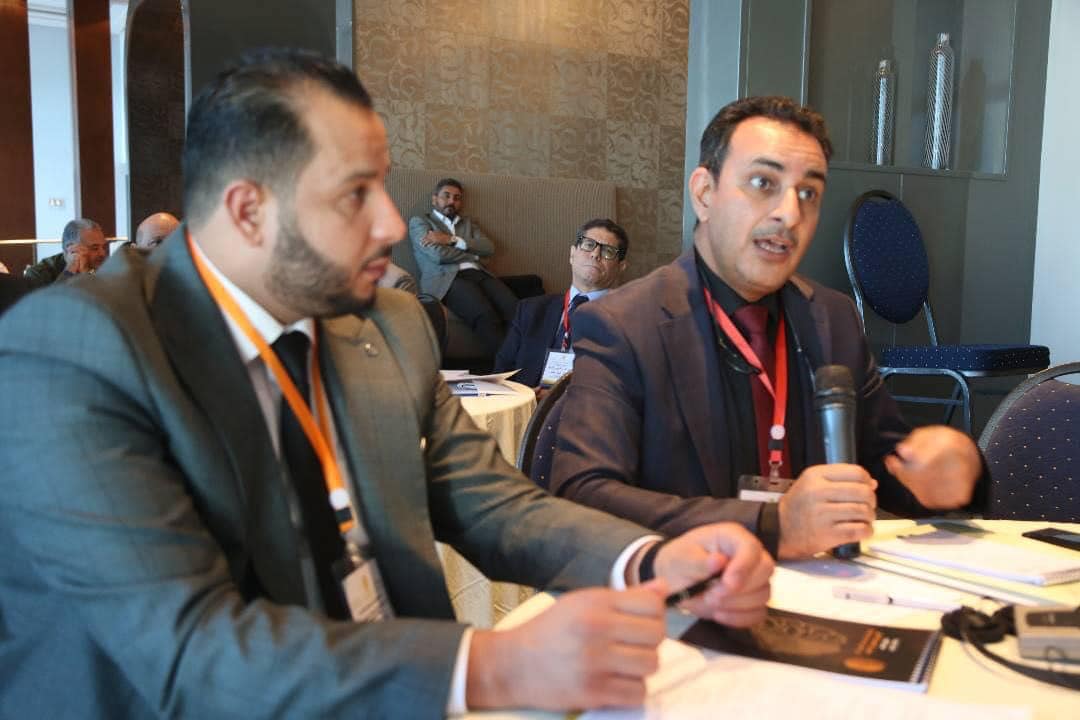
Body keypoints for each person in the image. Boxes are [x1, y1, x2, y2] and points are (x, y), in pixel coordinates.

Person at [0, 50, 774, 718]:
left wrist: (650, 561)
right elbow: (190, 650)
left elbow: (492, 502)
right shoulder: (75, 353)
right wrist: (491, 665)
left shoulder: (387, 323)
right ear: (247, 211)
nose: (393, 226)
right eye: (354, 194)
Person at [550, 96, 985, 561]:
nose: (790, 214)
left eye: (808, 193)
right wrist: (771, 526)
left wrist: (955, 474)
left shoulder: (833, 318)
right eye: (763, 183)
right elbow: (582, 496)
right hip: (694, 589)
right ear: (704, 193)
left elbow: (888, 465)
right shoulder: (624, 324)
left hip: (825, 589)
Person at [494, 218, 628, 388]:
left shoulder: (628, 323)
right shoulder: (530, 310)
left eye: (608, 251)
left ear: (621, 266)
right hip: (528, 402)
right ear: (572, 254)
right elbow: (501, 374)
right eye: (588, 245)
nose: (595, 254)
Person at [409, 178, 519, 355]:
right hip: (447, 279)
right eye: (446, 196)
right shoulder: (420, 222)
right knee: (484, 314)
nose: (451, 201)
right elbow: (438, 255)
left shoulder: (468, 223)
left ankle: (526, 362)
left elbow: (488, 248)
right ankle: (507, 365)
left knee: (515, 309)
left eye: (457, 198)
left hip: (479, 275)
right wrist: (474, 255)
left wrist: (452, 240)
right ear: (434, 199)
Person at [22, 218, 109, 287]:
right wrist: (69, 271)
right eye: (95, 248)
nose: (102, 253)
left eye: (103, 247)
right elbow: (50, 302)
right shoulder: (38, 274)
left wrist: (85, 275)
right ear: (71, 249)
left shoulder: (106, 269)